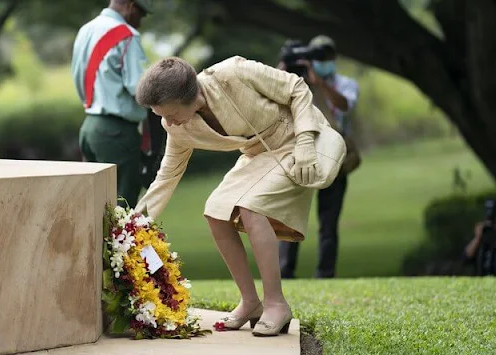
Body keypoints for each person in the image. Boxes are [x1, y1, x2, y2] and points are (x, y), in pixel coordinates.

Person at [133, 55, 338, 336]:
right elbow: (167, 175)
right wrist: (135, 224)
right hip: (258, 154)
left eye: (170, 114)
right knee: (216, 211)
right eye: (161, 116)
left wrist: (304, 140)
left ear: (190, 96)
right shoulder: (177, 126)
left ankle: (276, 304)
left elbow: (297, 87)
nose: (167, 122)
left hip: (295, 142)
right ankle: (251, 302)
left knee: (250, 206)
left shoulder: (233, 73)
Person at [278, 35, 359, 279]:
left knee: (328, 221)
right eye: (316, 57)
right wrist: (281, 72)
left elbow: (344, 106)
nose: (321, 62)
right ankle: (285, 272)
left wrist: (320, 83)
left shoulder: (345, 83)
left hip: (334, 157)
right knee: (290, 217)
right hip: (300, 154)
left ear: (333, 58)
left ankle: (325, 274)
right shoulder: (295, 82)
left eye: (325, 57)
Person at [71, 0, 153, 208]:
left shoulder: (85, 30)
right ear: (130, 6)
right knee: (122, 212)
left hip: (90, 127)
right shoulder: (126, 35)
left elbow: (77, 75)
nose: (140, 22)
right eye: (141, 14)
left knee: (94, 208)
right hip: (118, 132)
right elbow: (139, 89)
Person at [462, 200, 496, 276]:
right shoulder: (481, 237)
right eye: (488, 220)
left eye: (494, 220)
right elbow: (465, 258)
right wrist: (477, 238)